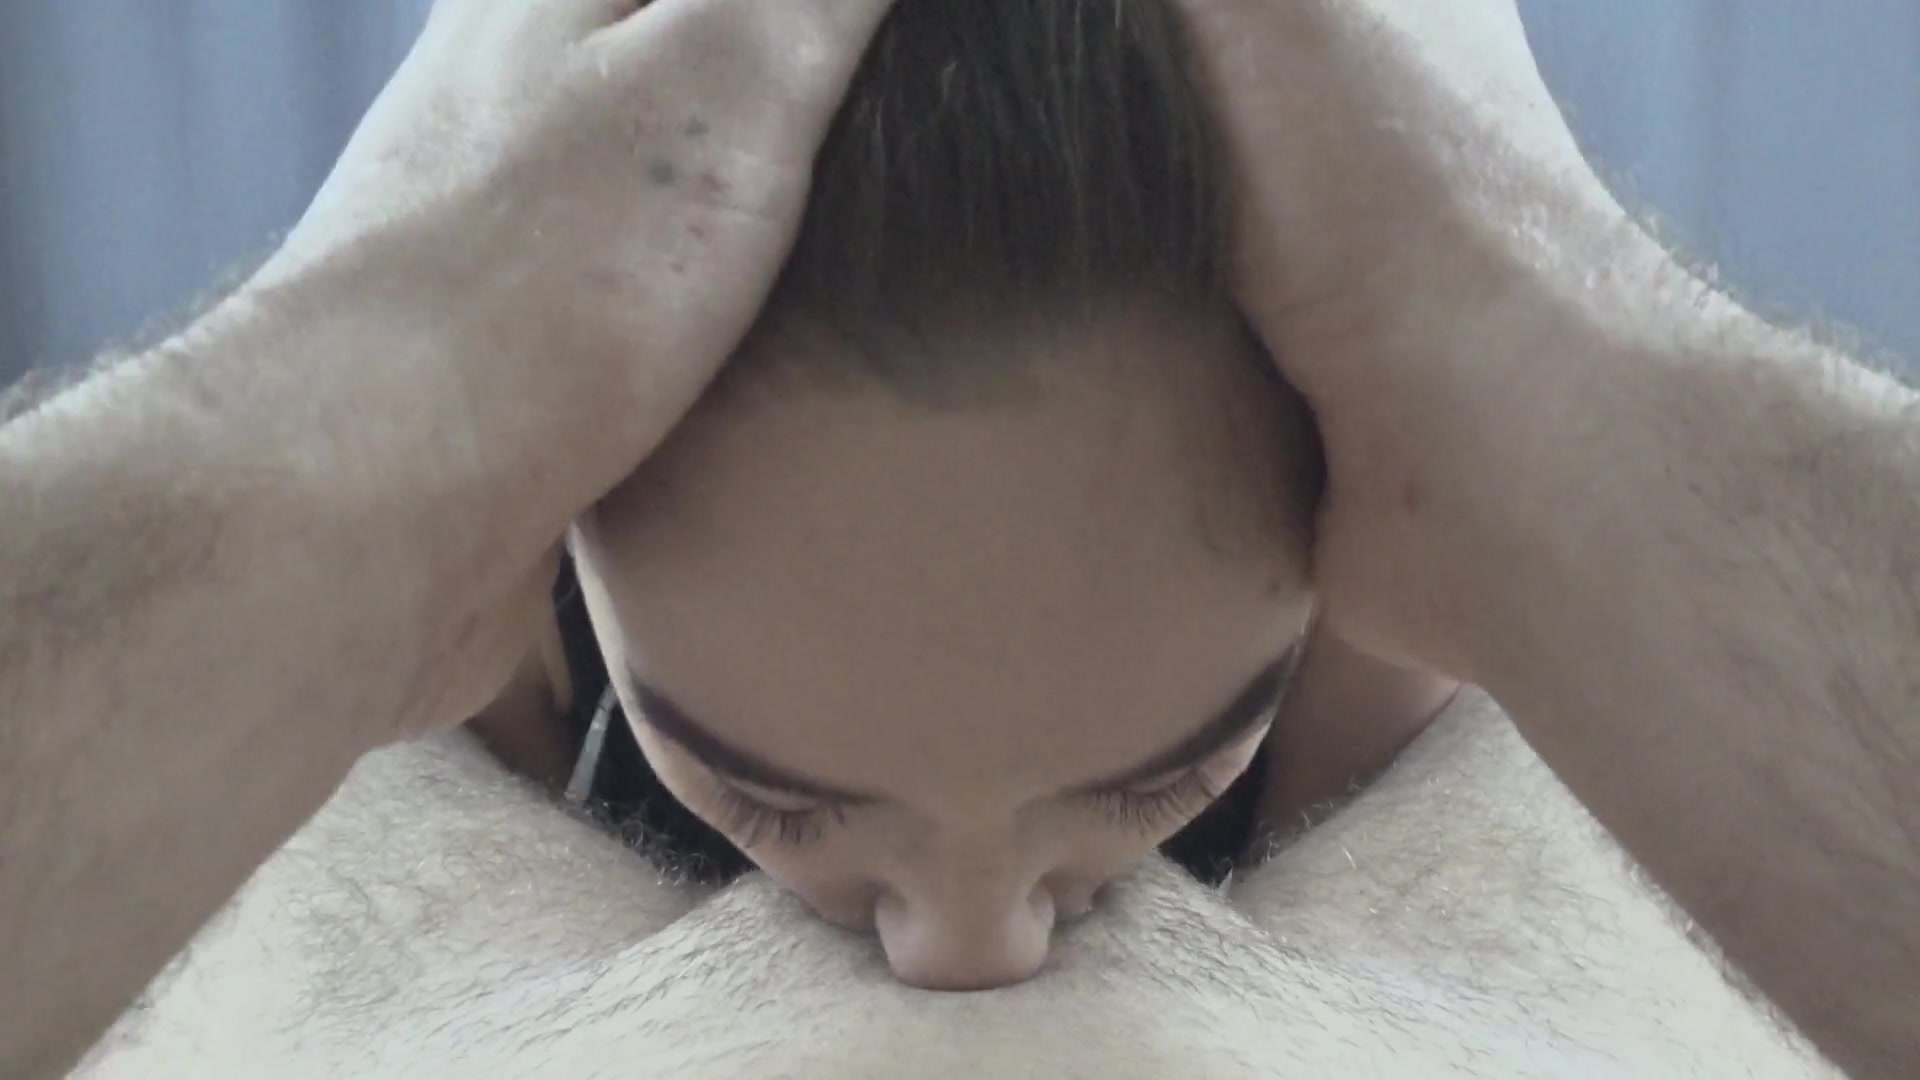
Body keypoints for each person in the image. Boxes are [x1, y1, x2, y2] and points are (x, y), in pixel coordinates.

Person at [0, 0, 1912, 1075]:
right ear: (531, 517)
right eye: (773, 795)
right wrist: (372, 387)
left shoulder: (1413, 614)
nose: (971, 955)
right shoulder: (445, 597)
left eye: (1163, 772)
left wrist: (1546, 337)